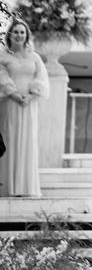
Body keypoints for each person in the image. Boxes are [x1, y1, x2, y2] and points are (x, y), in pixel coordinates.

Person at [0, 18, 49, 197]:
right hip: (9, 102)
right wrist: (12, 93)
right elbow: (1, 76)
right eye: (16, 32)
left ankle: (26, 187)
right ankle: (8, 187)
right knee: (10, 139)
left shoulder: (34, 57)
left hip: (28, 104)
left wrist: (31, 96)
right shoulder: (2, 55)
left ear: (26, 35)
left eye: (22, 32)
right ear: (10, 34)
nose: (19, 35)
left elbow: (41, 79)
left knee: (27, 140)